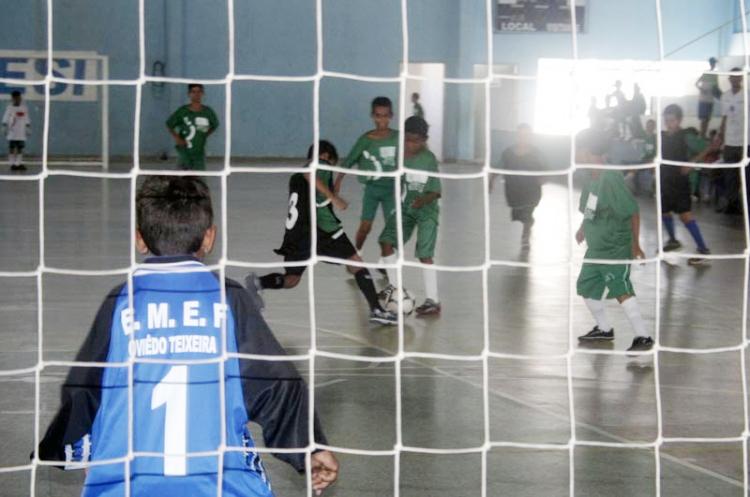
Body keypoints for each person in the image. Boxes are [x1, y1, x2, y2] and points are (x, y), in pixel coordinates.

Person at [36, 176, 339, 496]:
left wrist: (65, 447)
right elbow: (277, 385)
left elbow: (85, 388)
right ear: (209, 238)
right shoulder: (227, 298)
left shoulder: (121, 302)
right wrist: (310, 447)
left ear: (139, 239)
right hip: (219, 486)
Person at [247, 141, 397, 326]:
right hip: (322, 230)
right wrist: (335, 199)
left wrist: (330, 191)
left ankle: (258, 283)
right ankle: (377, 310)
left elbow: (311, 190)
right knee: (356, 263)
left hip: (297, 235)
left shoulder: (294, 177)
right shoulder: (321, 164)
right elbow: (311, 174)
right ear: (326, 156)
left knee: (292, 279)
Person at [574, 128, 654, 353]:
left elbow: (633, 211)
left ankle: (643, 336)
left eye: (577, 149)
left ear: (587, 151)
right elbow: (590, 208)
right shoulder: (591, 177)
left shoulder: (610, 177)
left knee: (620, 288)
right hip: (596, 248)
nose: (575, 154)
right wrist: (583, 227)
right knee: (586, 286)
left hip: (615, 247)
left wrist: (635, 245)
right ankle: (604, 329)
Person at [378, 116, 441, 316]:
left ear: (424, 140)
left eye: (416, 141)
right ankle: (395, 288)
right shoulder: (400, 157)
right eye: (407, 140)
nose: (411, 144)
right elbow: (398, 181)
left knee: (424, 255)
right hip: (406, 209)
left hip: (426, 211)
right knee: (386, 242)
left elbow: (437, 191)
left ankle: (433, 300)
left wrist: (423, 200)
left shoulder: (429, 159)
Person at [334, 97, 399, 253]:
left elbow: (411, 156)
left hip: (392, 189)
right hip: (372, 189)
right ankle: (357, 253)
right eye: (378, 115)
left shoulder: (398, 137)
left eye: (385, 115)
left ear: (391, 116)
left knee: (392, 227)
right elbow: (349, 161)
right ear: (372, 116)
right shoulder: (366, 140)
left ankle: (387, 259)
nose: (382, 120)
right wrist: (338, 182)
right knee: (365, 227)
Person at [660, 104, 713, 265]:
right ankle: (673, 240)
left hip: (680, 183)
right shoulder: (661, 136)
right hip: (665, 180)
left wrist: (690, 164)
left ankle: (703, 250)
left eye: (672, 120)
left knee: (685, 215)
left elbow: (707, 147)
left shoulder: (685, 136)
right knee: (664, 212)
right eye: (666, 120)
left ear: (679, 120)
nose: (669, 123)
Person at [489, 123, 544, 247]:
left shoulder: (536, 153)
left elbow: (545, 168)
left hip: (531, 190)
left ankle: (526, 233)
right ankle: (528, 222)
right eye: (521, 135)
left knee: (527, 212)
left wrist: (543, 178)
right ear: (517, 136)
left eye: (527, 135)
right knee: (518, 214)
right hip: (513, 190)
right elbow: (498, 166)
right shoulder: (508, 153)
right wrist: (491, 180)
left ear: (530, 137)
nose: (524, 138)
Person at [166, 84, 219, 170]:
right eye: (193, 92)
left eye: (199, 92)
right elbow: (169, 124)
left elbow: (215, 125)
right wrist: (177, 138)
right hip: (184, 151)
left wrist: (205, 135)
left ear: (202, 93)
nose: (196, 94)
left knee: (199, 176)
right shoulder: (183, 111)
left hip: (199, 151)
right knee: (182, 175)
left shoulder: (208, 112)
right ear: (189, 94)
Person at [718, 68, 749, 214]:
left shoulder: (747, 95)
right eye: (732, 77)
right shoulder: (725, 96)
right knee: (730, 175)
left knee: (746, 176)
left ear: (741, 78)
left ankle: (746, 205)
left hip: (746, 142)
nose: (735, 79)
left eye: (737, 77)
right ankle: (732, 204)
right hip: (730, 142)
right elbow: (724, 117)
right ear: (729, 79)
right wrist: (721, 136)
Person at [2, 90, 31, 171]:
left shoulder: (24, 108)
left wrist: (28, 127)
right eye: (15, 98)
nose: (17, 100)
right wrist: (4, 126)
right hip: (12, 131)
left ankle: (18, 163)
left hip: (21, 131)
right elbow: (6, 117)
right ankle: (12, 163)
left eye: (19, 98)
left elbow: (26, 117)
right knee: (12, 147)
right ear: (12, 99)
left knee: (20, 148)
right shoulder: (10, 108)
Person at [695, 57, 721, 139]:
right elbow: (696, 83)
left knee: (707, 119)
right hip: (703, 100)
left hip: (710, 100)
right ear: (710, 63)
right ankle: (701, 135)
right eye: (712, 63)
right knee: (703, 119)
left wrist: (722, 96)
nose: (713, 64)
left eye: (714, 63)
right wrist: (701, 89)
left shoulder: (715, 75)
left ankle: (703, 135)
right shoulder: (705, 73)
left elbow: (716, 88)